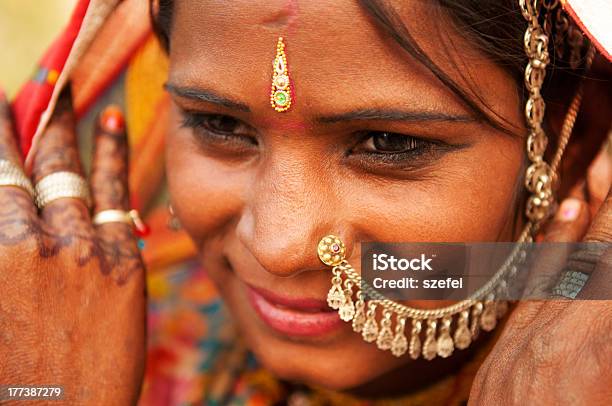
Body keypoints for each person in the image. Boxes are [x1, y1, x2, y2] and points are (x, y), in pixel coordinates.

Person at [0, 0, 610, 404]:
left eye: (387, 143)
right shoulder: (77, 344)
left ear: (568, 142)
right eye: (219, 125)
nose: (279, 245)